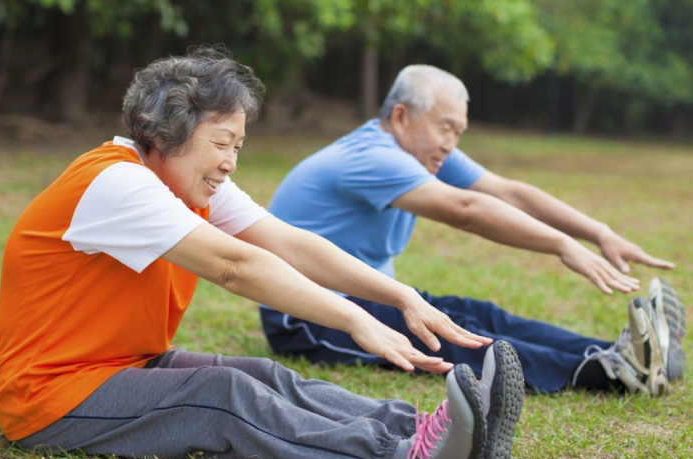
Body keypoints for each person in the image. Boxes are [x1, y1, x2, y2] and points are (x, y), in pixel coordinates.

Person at [0, 47, 526, 459]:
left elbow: (289, 243)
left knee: (264, 376)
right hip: (47, 398)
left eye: (238, 147)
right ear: (167, 132)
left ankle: (432, 432)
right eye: (221, 143)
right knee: (223, 395)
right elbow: (234, 265)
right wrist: (353, 319)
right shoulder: (115, 183)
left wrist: (399, 295)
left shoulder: (190, 183)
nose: (230, 162)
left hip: (118, 364)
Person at [261, 64, 687, 396]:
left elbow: (508, 192)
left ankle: (623, 353)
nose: (451, 142)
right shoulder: (372, 157)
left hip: (368, 294)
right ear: (401, 115)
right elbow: (466, 209)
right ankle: (607, 372)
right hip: (305, 316)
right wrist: (560, 244)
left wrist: (598, 232)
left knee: (481, 316)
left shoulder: (422, 151)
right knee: (455, 335)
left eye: (459, 132)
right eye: (445, 126)